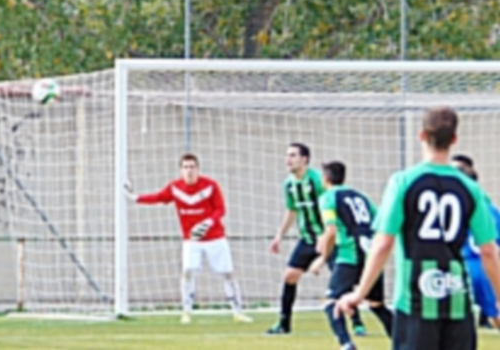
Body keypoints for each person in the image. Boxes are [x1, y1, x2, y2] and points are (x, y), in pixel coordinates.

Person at [336, 106, 500, 350]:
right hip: (457, 302)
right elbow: (488, 250)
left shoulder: (403, 182)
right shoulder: (471, 189)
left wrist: (359, 293)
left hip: (415, 301)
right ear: (454, 139)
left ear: (421, 135)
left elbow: (383, 243)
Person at [125, 154, 252, 324]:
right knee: (187, 272)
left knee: (228, 274)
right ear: (181, 170)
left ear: (198, 169)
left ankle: (238, 312)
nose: (189, 170)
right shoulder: (175, 188)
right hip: (191, 240)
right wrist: (135, 198)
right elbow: (158, 198)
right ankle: (186, 311)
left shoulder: (210, 186)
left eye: (192, 167)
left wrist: (208, 223)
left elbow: (220, 209)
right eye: (185, 167)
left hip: (215, 238)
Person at [266, 143, 365, 335]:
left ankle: (357, 322)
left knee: (342, 281)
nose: (288, 159)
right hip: (307, 238)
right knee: (289, 276)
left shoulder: (317, 181)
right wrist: (279, 235)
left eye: (293, 155)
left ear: (304, 159)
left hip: (329, 238)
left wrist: (328, 233)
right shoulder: (288, 184)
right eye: (287, 155)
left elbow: (332, 203)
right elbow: (292, 210)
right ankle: (284, 324)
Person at [309, 161, 393, 350]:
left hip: (349, 255)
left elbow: (331, 230)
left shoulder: (327, 198)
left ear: (325, 178)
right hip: (371, 255)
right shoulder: (361, 197)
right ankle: (404, 343)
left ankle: (346, 344)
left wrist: (322, 258)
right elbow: (379, 223)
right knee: (377, 305)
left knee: (331, 301)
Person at [451, 154, 500, 330]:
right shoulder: (490, 209)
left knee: (453, 324)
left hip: (461, 268)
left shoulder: (453, 208)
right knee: (495, 316)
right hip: (488, 269)